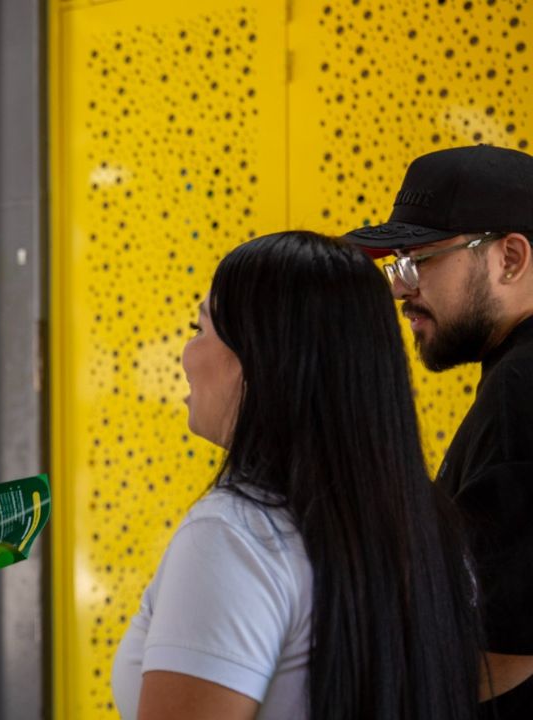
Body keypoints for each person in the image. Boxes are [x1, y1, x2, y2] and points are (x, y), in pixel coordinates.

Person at [111, 231, 481, 719]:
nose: (186, 354)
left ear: (260, 360)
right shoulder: (434, 530)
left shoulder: (234, 536)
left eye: (198, 329)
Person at [344, 144, 533, 717]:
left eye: (417, 260)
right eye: (393, 265)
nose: (399, 289)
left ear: (511, 258)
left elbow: (512, 646)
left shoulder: (522, 390)